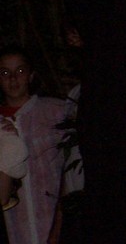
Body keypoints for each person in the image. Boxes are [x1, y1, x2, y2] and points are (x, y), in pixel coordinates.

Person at [0, 46, 67, 244]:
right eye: (5, 73)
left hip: (55, 222)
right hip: (13, 227)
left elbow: (72, 170)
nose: (13, 79)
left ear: (31, 75)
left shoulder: (57, 112)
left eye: (20, 71)